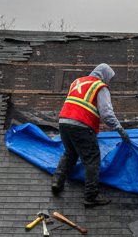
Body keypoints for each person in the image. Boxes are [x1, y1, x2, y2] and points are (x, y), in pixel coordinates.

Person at [50, 63, 129, 207]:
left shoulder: (77, 82)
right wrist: (119, 129)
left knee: (70, 153)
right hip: (81, 125)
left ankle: (57, 181)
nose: (108, 81)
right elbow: (106, 113)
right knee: (92, 159)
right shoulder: (99, 86)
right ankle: (91, 196)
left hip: (63, 122)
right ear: (104, 75)